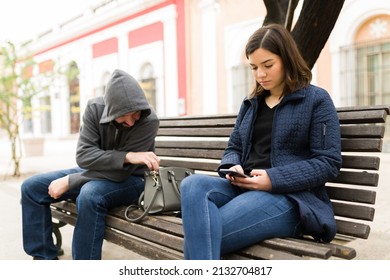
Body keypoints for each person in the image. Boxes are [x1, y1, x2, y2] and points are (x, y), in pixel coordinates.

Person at [180, 24, 342, 260]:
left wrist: (273, 180)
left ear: (287, 59)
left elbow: (328, 162)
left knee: (202, 233)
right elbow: (234, 147)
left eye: (268, 65)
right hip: (243, 187)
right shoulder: (251, 103)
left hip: (290, 199)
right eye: (254, 67)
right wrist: (232, 166)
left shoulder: (316, 100)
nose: (260, 75)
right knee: (192, 185)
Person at [21, 69, 160, 260]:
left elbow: (121, 173)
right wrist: (127, 156)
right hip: (94, 173)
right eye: (124, 116)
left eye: (135, 114)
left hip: (133, 180)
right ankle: (44, 257)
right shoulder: (95, 109)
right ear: (111, 111)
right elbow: (84, 156)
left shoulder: (148, 121)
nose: (131, 121)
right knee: (32, 187)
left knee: (90, 195)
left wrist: (72, 180)